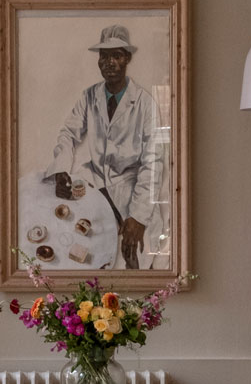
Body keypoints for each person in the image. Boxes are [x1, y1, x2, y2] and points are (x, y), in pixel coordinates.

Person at [45, 25, 163, 268]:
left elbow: (154, 163)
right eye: (104, 56)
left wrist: (138, 217)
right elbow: (68, 133)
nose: (109, 63)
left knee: (136, 259)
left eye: (116, 55)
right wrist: (60, 170)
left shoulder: (145, 104)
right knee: (74, 245)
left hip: (132, 189)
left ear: (127, 58)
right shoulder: (89, 96)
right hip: (98, 184)